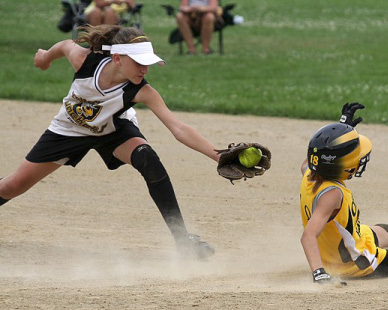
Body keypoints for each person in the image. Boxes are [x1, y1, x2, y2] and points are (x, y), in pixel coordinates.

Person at [0, 25, 224, 259]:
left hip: (112, 130)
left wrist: (219, 156)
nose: (145, 69)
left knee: (147, 157)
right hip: (69, 129)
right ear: (117, 58)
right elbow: (66, 45)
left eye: (148, 63)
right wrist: (46, 56)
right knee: (11, 186)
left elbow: (179, 128)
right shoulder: (85, 61)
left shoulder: (141, 90)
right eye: (139, 62)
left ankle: (183, 241)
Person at [300, 103, 388, 283]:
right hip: (358, 263)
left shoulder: (308, 173)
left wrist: (344, 128)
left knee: (377, 232)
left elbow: (319, 153)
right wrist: (319, 273)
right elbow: (308, 236)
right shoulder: (333, 194)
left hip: (341, 247)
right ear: (344, 166)